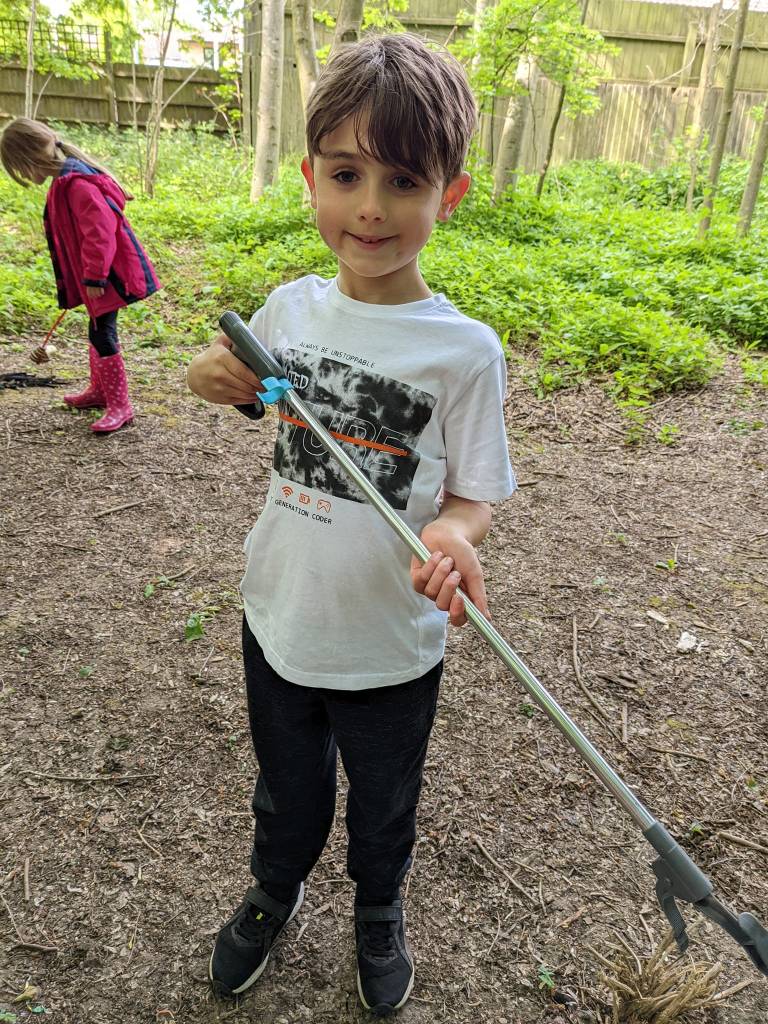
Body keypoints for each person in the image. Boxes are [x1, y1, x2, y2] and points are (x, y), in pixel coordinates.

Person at [187, 32, 516, 1017]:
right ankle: (273, 889)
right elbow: (233, 383)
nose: (370, 207)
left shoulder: (463, 352)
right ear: (310, 179)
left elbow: (473, 497)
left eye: (403, 181)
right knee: (287, 789)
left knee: (383, 803)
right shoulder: (289, 310)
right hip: (279, 618)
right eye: (345, 174)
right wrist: (211, 377)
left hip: (389, 646)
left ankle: (379, 908)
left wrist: (454, 536)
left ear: (450, 196)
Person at [0, 118, 160, 433]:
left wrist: (95, 277)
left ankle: (120, 405)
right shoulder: (65, 181)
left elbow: (99, 234)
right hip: (99, 275)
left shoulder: (77, 184)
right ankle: (101, 391)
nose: (25, 176)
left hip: (109, 276)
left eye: (21, 169)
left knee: (103, 334)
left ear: (32, 157)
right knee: (97, 329)